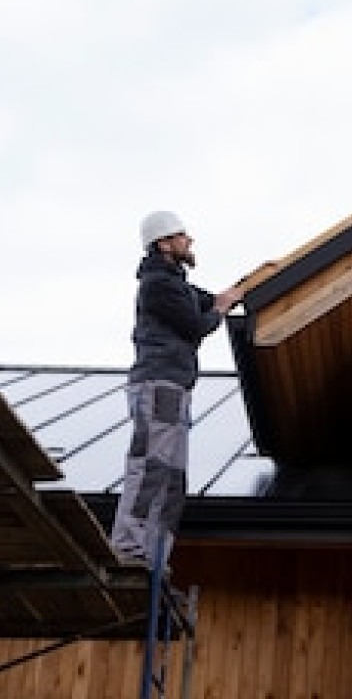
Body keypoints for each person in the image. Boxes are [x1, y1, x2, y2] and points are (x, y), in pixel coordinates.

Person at [109, 209, 243, 571]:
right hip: (159, 384)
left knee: (172, 479)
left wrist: (233, 294)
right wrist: (221, 308)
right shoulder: (158, 285)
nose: (189, 240)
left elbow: (207, 300)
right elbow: (198, 323)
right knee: (151, 466)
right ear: (164, 244)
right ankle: (129, 548)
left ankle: (153, 555)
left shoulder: (175, 284)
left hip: (175, 386)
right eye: (182, 235)